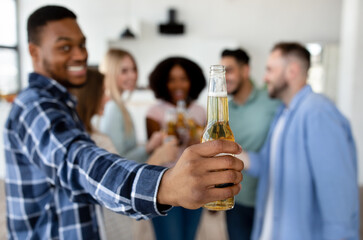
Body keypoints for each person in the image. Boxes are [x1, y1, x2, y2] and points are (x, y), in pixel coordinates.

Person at [3, 5, 244, 239]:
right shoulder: (34, 106)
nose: (80, 55)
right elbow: (78, 162)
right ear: (34, 52)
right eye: (65, 47)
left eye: (82, 44)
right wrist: (165, 185)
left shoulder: (62, 105)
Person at [241, 42, 359, 240]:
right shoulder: (283, 114)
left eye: (270, 70)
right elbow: (269, 165)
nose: (264, 78)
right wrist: (232, 153)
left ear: (292, 71)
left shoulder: (318, 113)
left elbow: (338, 199)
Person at [72, 68, 178, 239]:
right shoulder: (94, 141)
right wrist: (157, 156)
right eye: (102, 93)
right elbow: (117, 178)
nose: (107, 98)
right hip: (112, 222)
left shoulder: (91, 135)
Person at [197, 48, 280, 240]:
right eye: (222, 72)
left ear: (245, 71)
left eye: (230, 70)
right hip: (237, 199)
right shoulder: (223, 112)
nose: (225, 78)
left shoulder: (270, 99)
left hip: (269, 198)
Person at [145, 57, 207, 240]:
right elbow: (153, 154)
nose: (178, 85)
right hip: (164, 185)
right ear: (163, 83)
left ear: (192, 81)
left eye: (183, 79)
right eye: (172, 79)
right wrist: (170, 136)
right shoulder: (155, 112)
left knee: (189, 235)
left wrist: (195, 134)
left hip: (196, 182)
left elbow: (206, 148)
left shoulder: (200, 111)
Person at [99, 49, 163, 163]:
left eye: (134, 69)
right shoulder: (112, 108)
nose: (133, 75)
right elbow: (116, 160)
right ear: (110, 73)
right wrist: (149, 147)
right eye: (124, 71)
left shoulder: (117, 106)